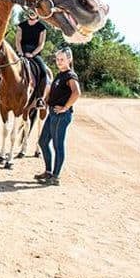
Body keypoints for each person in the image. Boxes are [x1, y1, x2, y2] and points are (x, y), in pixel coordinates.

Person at [34, 47, 81, 186]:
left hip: (62, 116)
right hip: (52, 113)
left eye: (62, 59)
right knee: (43, 142)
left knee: (57, 145)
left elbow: (76, 92)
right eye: (57, 59)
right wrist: (45, 100)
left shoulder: (70, 75)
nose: (59, 62)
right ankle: (48, 172)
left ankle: (55, 176)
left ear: (69, 60)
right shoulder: (60, 75)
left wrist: (66, 107)